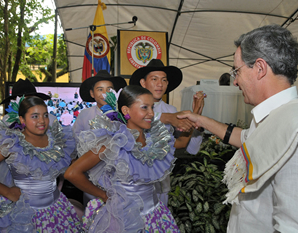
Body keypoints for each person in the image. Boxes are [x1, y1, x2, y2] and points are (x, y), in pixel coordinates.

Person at [177, 24, 298, 232]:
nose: (235, 81)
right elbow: (246, 138)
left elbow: (294, 226)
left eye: (236, 71)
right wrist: (199, 119)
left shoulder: (297, 131)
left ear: (260, 68)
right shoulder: (274, 116)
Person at [65, 85, 179, 232]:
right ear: (126, 110)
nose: (151, 113)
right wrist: (104, 195)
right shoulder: (113, 141)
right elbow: (72, 173)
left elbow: (181, 143)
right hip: (124, 219)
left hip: (154, 216)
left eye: (152, 107)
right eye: (145, 107)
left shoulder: (154, 140)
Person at [0, 96, 82, 232]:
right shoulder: (12, 143)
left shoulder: (56, 141)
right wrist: (7, 191)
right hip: (22, 215)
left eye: (45, 115)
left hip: (55, 210)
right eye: (35, 116)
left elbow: (71, 167)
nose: (42, 121)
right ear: (22, 120)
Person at [129, 58, 206, 204]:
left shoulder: (171, 110)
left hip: (161, 186)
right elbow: (136, 121)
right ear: (143, 83)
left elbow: (190, 148)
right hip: (135, 184)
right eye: (154, 79)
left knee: (160, 225)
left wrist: (196, 115)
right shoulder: (131, 108)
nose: (160, 84)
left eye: (164, 80)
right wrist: (168, 118)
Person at [72, 69, 127, 206]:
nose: (105, 94)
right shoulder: (85, 115)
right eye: (100, 89)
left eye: (109, 89)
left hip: (120, 174)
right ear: (92, 93)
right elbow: (76, 138)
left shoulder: (123, 113)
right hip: (92, 174)